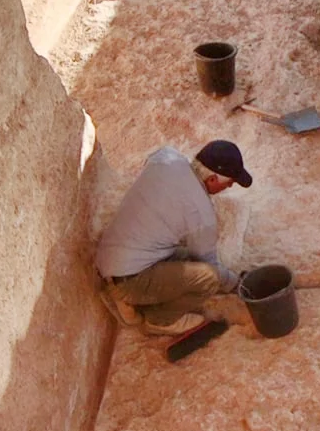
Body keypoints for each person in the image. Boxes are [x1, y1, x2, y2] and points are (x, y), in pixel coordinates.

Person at [96, 140, 252, 335]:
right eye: (228, 182)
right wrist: (236, 283)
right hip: (129, 281)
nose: (229, 186)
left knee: (186, 256)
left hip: (109, 259)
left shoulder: (167, 156)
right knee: (209, 278)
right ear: (212, 179)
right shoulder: (201, 214)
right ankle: (159, 321)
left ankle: (125, 298)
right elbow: (209, 265)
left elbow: (151, 167)